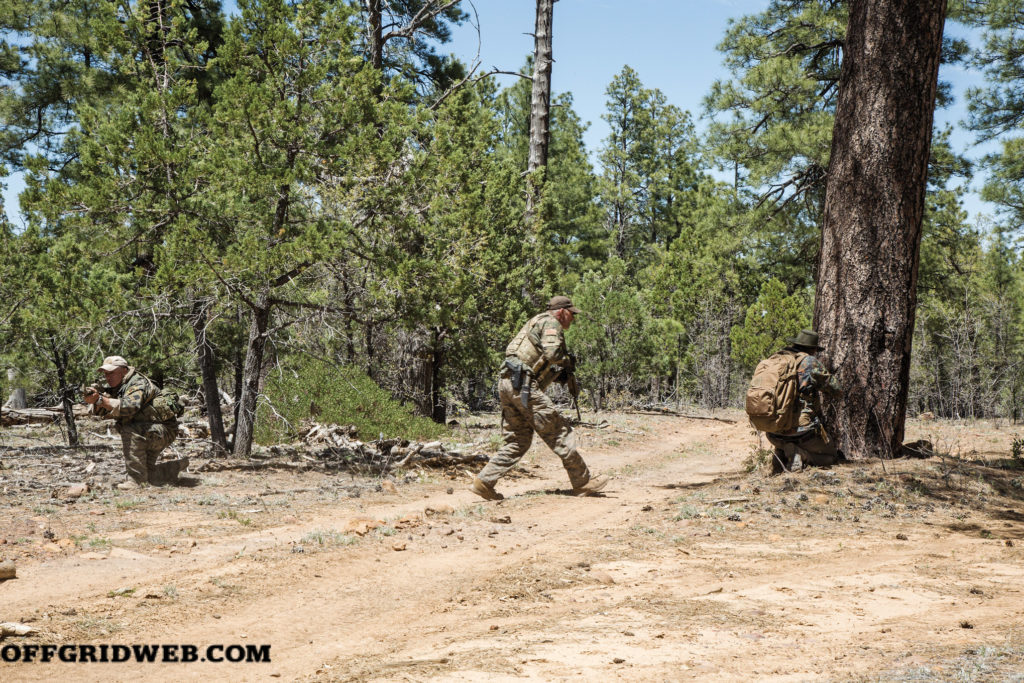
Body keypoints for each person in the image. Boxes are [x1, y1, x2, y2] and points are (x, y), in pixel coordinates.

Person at [471, 296, 609, 500]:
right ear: (562, 312)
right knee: (559, 432)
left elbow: (537, 358)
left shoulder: (535, 321)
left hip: (508, 383)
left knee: (518, 440)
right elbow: (553, 353)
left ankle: (484, 482)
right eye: (572, 314)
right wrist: (566, 361)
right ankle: (583, 482)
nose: (573, 319)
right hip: (524, 386)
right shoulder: (551, 322)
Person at [84, 356, 187, 489]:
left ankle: (136, 482)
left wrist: (101, 400)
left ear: (124, 370)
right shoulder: (119, 387)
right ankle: (175, 467)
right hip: (150, 430)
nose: (107, 377)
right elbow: (101, 412)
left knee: (130, 430)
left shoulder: (137, 383)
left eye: (111, 373)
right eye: (105, 374)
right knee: (150, 476)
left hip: (163, 430)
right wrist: (96, 400)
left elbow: (129, 407)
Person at [764, 330, 843, 473]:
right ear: (812, 349)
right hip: (802, 434)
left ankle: (782, 453)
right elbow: (837, 390)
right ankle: (800, 454)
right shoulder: (809, 362)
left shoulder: (774, 359)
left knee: (785, 437)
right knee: (831, 457)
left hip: (772, 431)